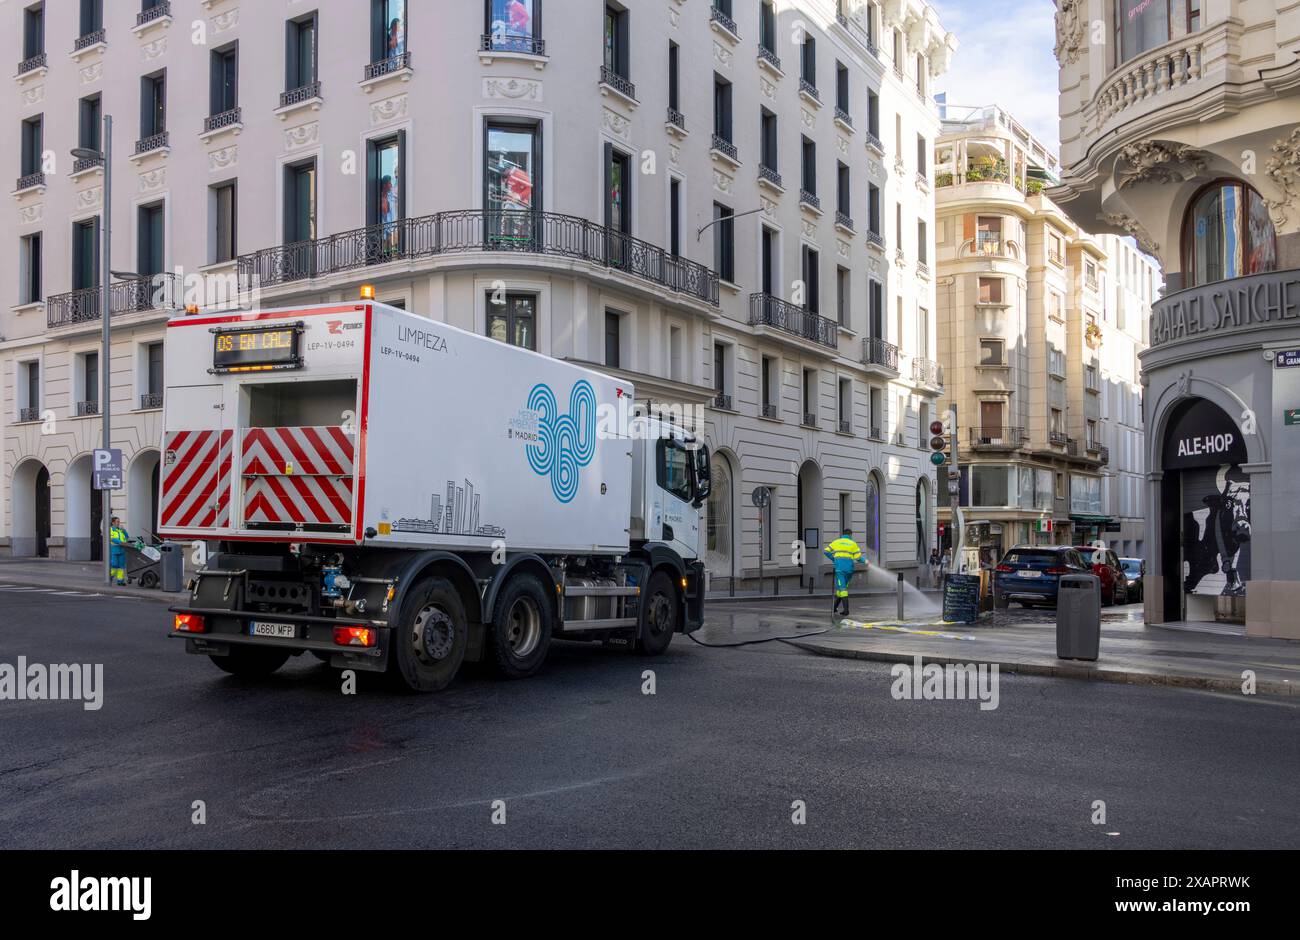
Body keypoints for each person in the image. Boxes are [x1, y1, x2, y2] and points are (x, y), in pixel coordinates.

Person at [824, 528, 867, 618]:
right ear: (850, 535)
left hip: (840, 569)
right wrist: (866, 561)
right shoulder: (853, 544)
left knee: (842, 589)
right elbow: (858, 558)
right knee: (841, 589)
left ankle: (846, 611)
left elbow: (826, 551)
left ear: (843, 534)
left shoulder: (836, 542)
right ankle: (834, 608)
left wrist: (834, 559)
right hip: (849, 570)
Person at [109, 516, 130, 586]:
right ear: (113, 522)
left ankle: (120, 581)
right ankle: (109, 577)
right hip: (114, 549)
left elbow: (127, 537)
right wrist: (120, 542)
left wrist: (124, 530)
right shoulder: (111, 530)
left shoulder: (120, 530)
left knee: (121, 566)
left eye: (119, 522)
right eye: (117, 522)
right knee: (114, 565)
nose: (119, 523)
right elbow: (112, 538)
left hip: (122, 549)